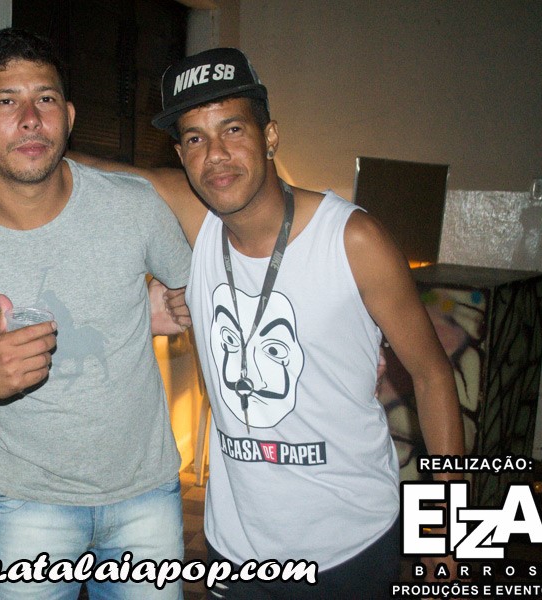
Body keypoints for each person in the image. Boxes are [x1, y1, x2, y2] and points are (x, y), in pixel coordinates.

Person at [145, 48, 463, 598]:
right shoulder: (198, 224)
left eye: (233, 129)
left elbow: (433, 375)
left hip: (350, 546)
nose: (215, 154)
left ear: (270, 136)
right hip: (235, 549)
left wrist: (447, 529)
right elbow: (83, 174)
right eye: (195, 138)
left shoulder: (353, 240)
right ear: (181, 154)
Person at [0, 28, 192, 600]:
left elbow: (204, 302)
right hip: (25, 509)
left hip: (146, 498)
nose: (31, 119)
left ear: (70, 115)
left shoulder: (134, 207)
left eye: (46, 99)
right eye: (7, 101)